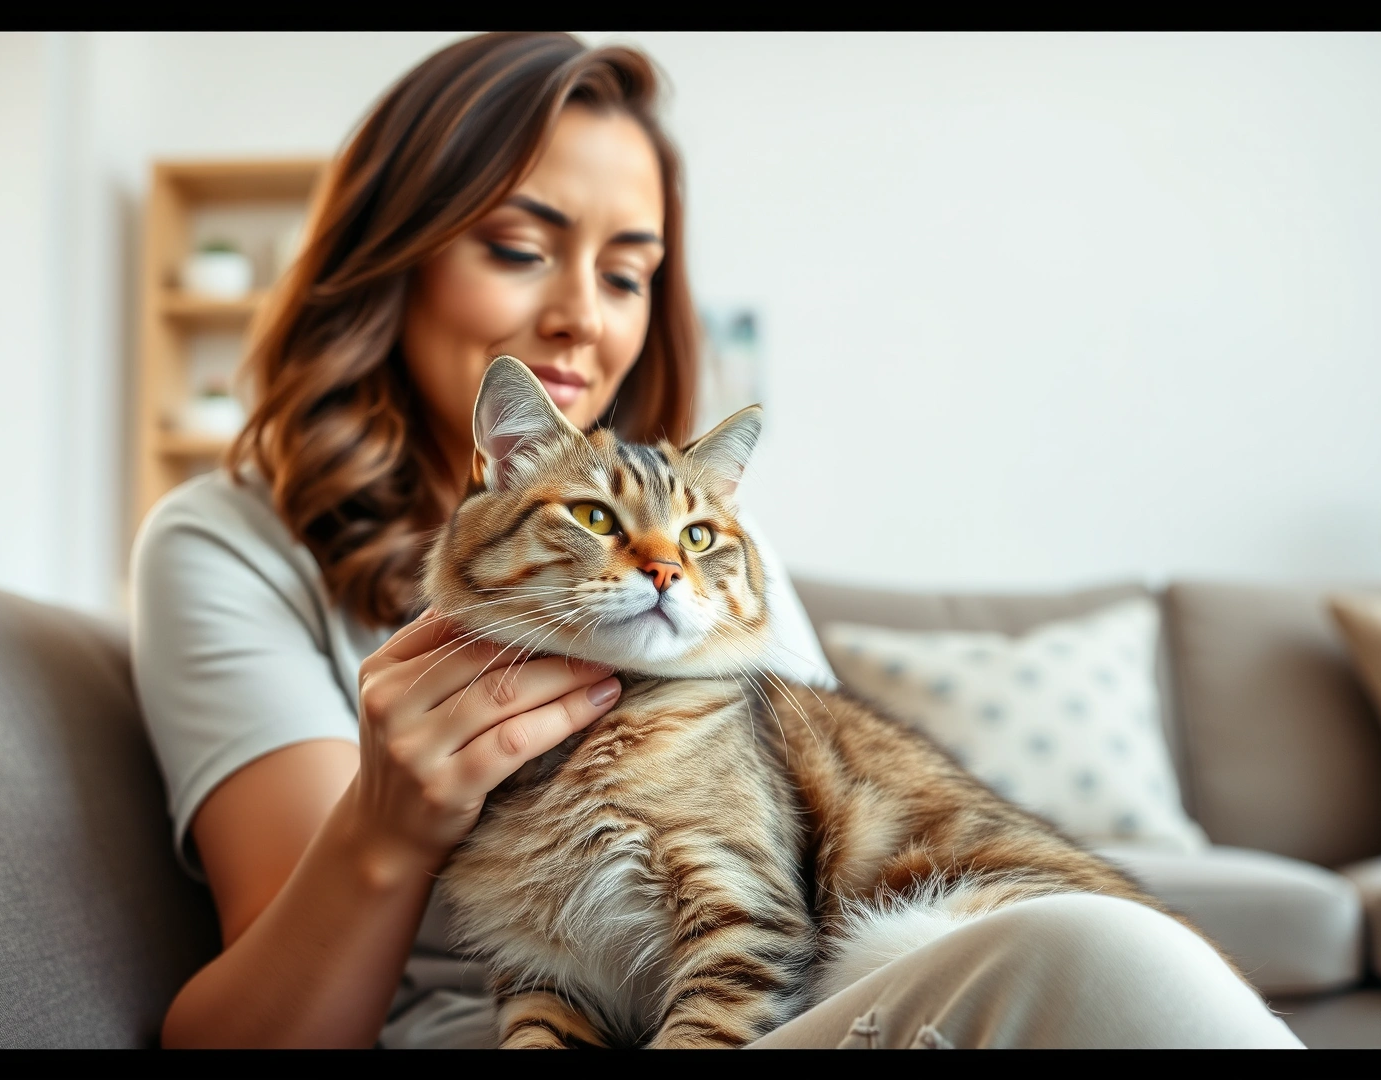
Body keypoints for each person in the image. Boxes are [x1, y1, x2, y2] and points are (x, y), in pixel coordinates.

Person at [132, 31, 1301, 1049]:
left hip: (775, 1004)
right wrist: (389, 827)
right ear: (395, 249)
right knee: (1099, 964)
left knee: (1094, 950)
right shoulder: (229, 543)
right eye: (518, 247)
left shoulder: (704, 553)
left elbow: (792, 882)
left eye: (629, 273)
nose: (584, 316)